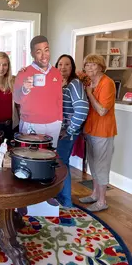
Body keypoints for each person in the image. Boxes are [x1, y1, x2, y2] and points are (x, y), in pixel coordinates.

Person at [78, 54, 117, 212]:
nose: (89, 68)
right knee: (93, 164)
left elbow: (102, 111)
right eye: (87, 65)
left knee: (101, 166)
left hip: (103, 131)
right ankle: (94, 194)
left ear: (101, 66)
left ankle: (102, 201)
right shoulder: (90, 82)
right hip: (91, 129)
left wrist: (89, 94)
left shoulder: (107, 83)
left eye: (93, 65)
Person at [13, 35, 63, 148]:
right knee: (30, 157)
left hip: (54, 125)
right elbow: (16, 99)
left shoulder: (56, 73)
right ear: (32, 54)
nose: (44, 55)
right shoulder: (23, 73)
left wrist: (59, 120)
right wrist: (25, 89)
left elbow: (58, 99)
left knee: (50, 157)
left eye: (46, 50)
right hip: (31, 124)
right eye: (39, 52)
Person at [55, 54, 89, 208]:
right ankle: (60, 197)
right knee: (59, 163)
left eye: (67, 64)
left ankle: (67, 201)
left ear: (72, 67)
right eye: (60, 64)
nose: (63, 67)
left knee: (62, 163)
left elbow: (82, 109)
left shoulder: (74, 84)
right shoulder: (61, 84)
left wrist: (69, 130)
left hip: (67, 133)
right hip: (59, 131)